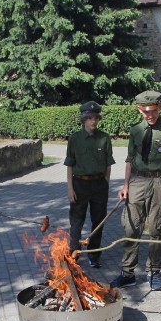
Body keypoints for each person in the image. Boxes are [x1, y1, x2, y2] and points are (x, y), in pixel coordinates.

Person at [111, 90, 161, 291]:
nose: (150, 115)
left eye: (153, 110)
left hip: (160, 181)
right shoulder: (135, 130)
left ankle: (154, 272)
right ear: (139, 110)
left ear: (160, 108)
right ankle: (128, 273)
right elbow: (129, 160)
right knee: (131, 227)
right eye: (145, 111)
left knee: (157, 227)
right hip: (137, 182)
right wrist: (125, 185)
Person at [65, 101, 115, 268]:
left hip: (99, 185)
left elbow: (108, 163)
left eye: (95, 118)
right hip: (80, 184)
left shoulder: (104, 138)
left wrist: (106, 183)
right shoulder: (74, 139)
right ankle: (74, 255)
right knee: (76, 222)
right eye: (89, 118)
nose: (93, 121)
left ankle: (94, 255)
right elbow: (70, 164)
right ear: (84, 119)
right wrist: (70, 188)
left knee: (98, 221)